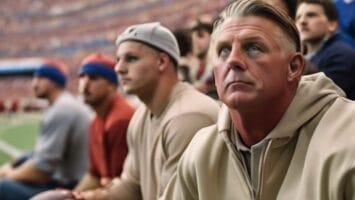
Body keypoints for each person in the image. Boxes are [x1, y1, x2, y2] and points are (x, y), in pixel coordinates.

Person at [161, 0, 355, 199]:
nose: (233, 60)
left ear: (294, 68)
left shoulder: (348, 135)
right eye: (224, 50)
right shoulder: (201, 150)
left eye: (253, 48)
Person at [73, 22, 219, 200]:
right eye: (118, 59)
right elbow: (132, 186)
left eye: (131, 58)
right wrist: (90, 197)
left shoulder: (187, 118)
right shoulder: (141, 115)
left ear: (162, 62)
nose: (119, 68)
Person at [31, 53, 135, 199]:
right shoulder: (96, 121)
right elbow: (94, 175)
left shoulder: (120, 121)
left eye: (94, 78)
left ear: (112, 85)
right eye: (82, 77)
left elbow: (122, 185)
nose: (85, 84)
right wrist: (71, 195)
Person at [0, 59, 91, 199]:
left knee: (3, 187)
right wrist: (17, 163)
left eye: (40, 78)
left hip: (69, 186)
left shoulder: (62, 110)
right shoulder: (63, 104)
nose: (34, 84)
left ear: (54, 81)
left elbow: (41, 172)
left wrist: (8, 174)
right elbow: (38, 156)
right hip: (67, 178)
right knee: (24, 159)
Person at [296, 0, 355, 99]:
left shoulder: (341, 54)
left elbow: (317, 97)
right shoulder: (306, 54)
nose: (302, 21)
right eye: (298, 17)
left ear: (332, 24)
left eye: (311, 15)